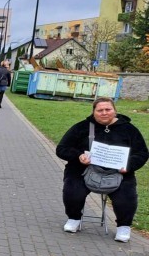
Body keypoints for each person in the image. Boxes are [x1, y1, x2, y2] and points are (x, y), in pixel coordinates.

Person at [56, 97, 148, 242]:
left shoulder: (129, 130)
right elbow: (61, 149)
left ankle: (124, 226)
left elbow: (142, 153)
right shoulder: (82, 127)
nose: (104, 113)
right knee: (72, 190)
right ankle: (74, 218)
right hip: (82, 169)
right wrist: (79, 156)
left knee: (127, 196)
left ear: (115, 111)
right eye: (100, 110)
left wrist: (129, 166)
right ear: (94, 112)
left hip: (118, 172)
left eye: (108, 109)